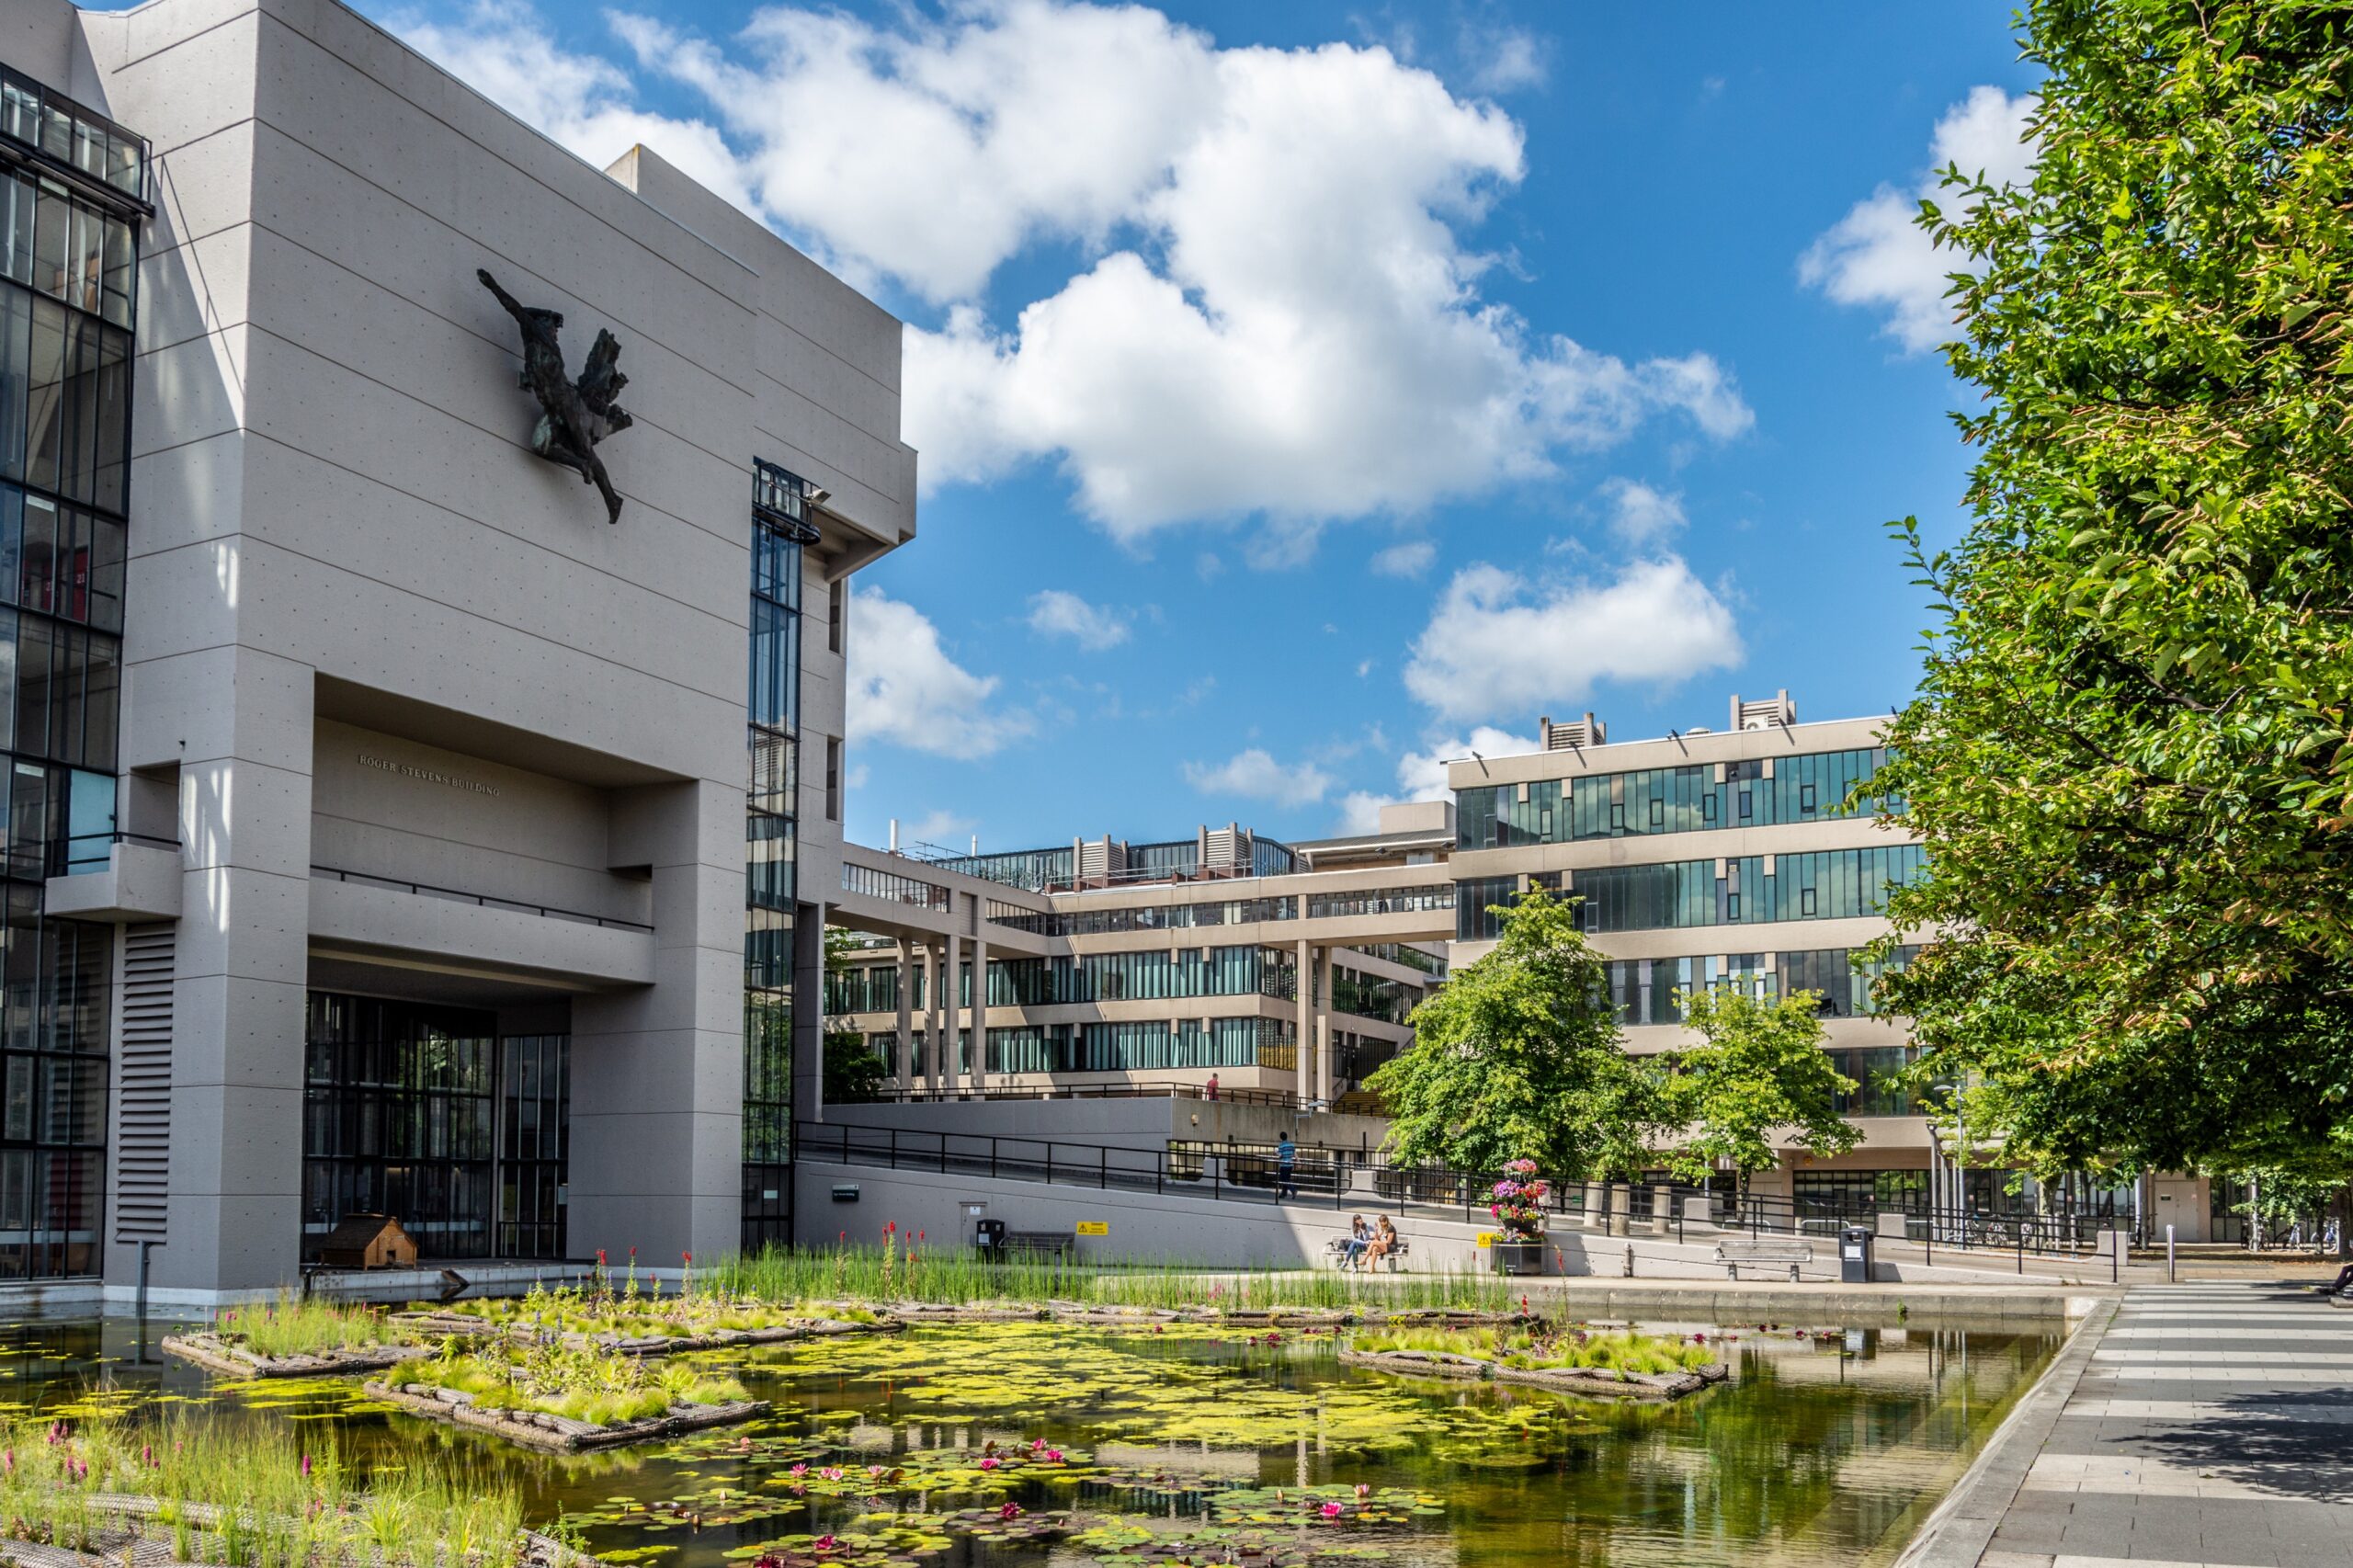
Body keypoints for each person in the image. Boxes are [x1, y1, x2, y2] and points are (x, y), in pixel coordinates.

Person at [1277, 1134, 1297, 1199]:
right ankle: (1283, 1194)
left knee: (1283, 1179)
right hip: (1290, 1164)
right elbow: (1294, 1154)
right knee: (1287, 1179)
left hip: (1284, 1165)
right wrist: (1298, 1161)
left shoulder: (1281, 1145)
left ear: (1281, 1138)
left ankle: (1293, 1190)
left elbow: (1280, 1156)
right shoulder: (1291, 1145)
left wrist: (1276, 1152)